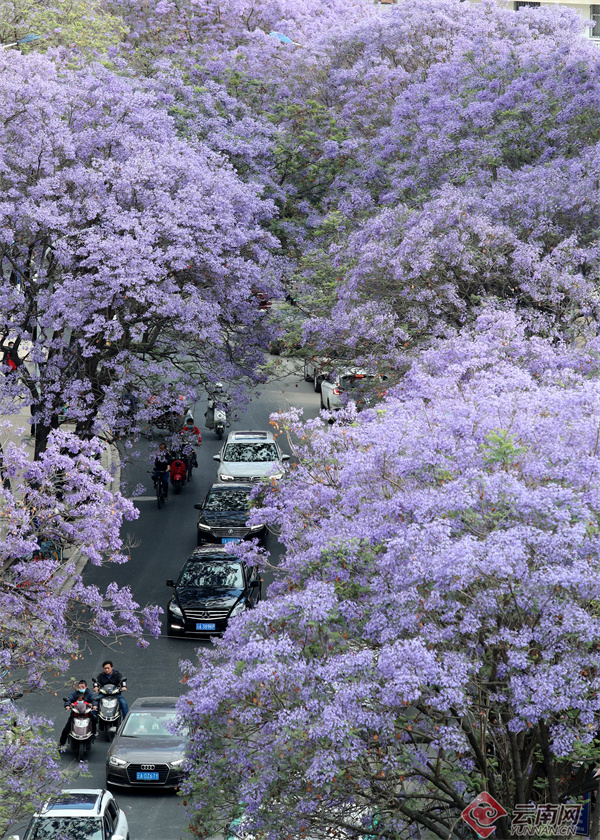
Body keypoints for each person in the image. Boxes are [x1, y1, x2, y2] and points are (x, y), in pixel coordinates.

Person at [59, 679, 97, 747]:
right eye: (80, 687)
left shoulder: (89, 693)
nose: (81, 688)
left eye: (83, 687)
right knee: (66, 728)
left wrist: (94, 705)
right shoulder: (74, 693)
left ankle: (93, 733)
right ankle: (61, 744)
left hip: (86, 714)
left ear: (86, 687)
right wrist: (67, 705)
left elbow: (94, 700)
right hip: (75, 714)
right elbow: (68, 699)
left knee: (94, 719)